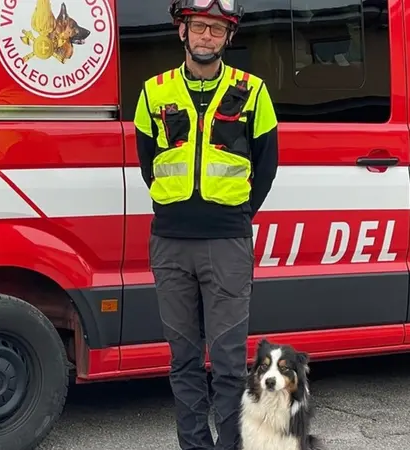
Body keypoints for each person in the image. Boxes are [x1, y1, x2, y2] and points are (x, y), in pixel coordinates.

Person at [133, 0, 279, 449]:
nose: (206, 37)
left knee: (230, 364)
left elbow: (266, 166)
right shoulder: (153, 93)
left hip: (227, 242)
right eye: (199, 26)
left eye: (216, 29)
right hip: (171, 242)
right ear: (183, 30)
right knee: (184, 361)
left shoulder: (253, 92)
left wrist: (235, 215)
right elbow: (148, 164)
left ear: (229, 36)